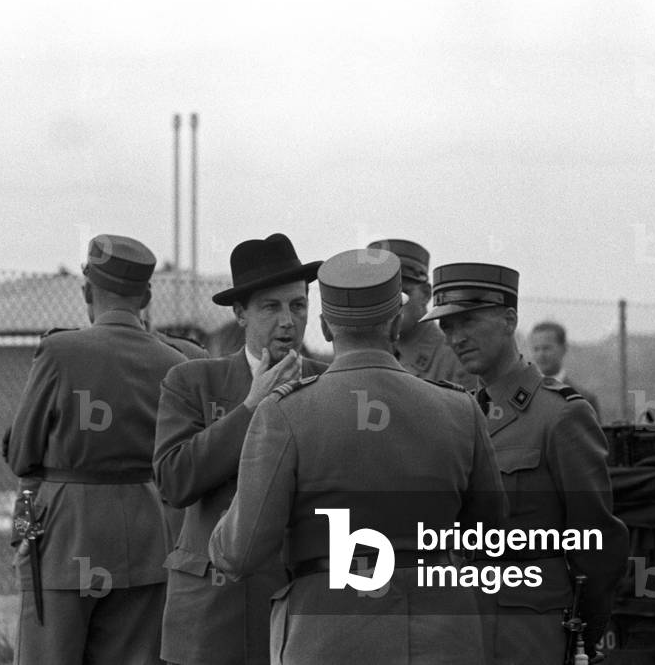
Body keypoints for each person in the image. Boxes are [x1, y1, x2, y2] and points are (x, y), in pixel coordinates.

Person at [209, 249, 507, 665]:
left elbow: (240, 553)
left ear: (326, 327)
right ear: (393, 324)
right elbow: (488, 532)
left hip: (331, 634)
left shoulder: (285, 412)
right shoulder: (459, 409)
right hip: (444, 634)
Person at [422, 262, 629, 665]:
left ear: (509, 319)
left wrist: (580, 638)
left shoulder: (561, 416)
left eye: (467, 320)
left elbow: (598, 545)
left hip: (533, 632)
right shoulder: (460, 415)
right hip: (462, 630)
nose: (455, 337)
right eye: (447, 327)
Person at [6, 234, 186, 664]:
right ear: (145, 296)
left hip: (67, 535)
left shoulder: (59, 351)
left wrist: (23, 530)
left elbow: (21, 456)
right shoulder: (175, 362)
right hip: (146, 540)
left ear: (87, 291)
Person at [154, 233, 329, 665]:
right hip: (211, 614)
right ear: (240, 314)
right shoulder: (193, 381)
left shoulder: (329, 384)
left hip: (299, 606)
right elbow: (175, 481)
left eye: (298, 305)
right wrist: (252, 406)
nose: (288, 320)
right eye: (271, 307)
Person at [366, 239, 474, 389]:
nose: (388, 304)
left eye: (401, 293)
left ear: (426, 294)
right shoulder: (370, 355)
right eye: (379, 294)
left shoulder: (458, 359)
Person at [528, 321, 601, 420]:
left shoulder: (584, 399)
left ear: (563, 348)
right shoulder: (524, 396)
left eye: (546, 348)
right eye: (536, 349)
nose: (541, 355)